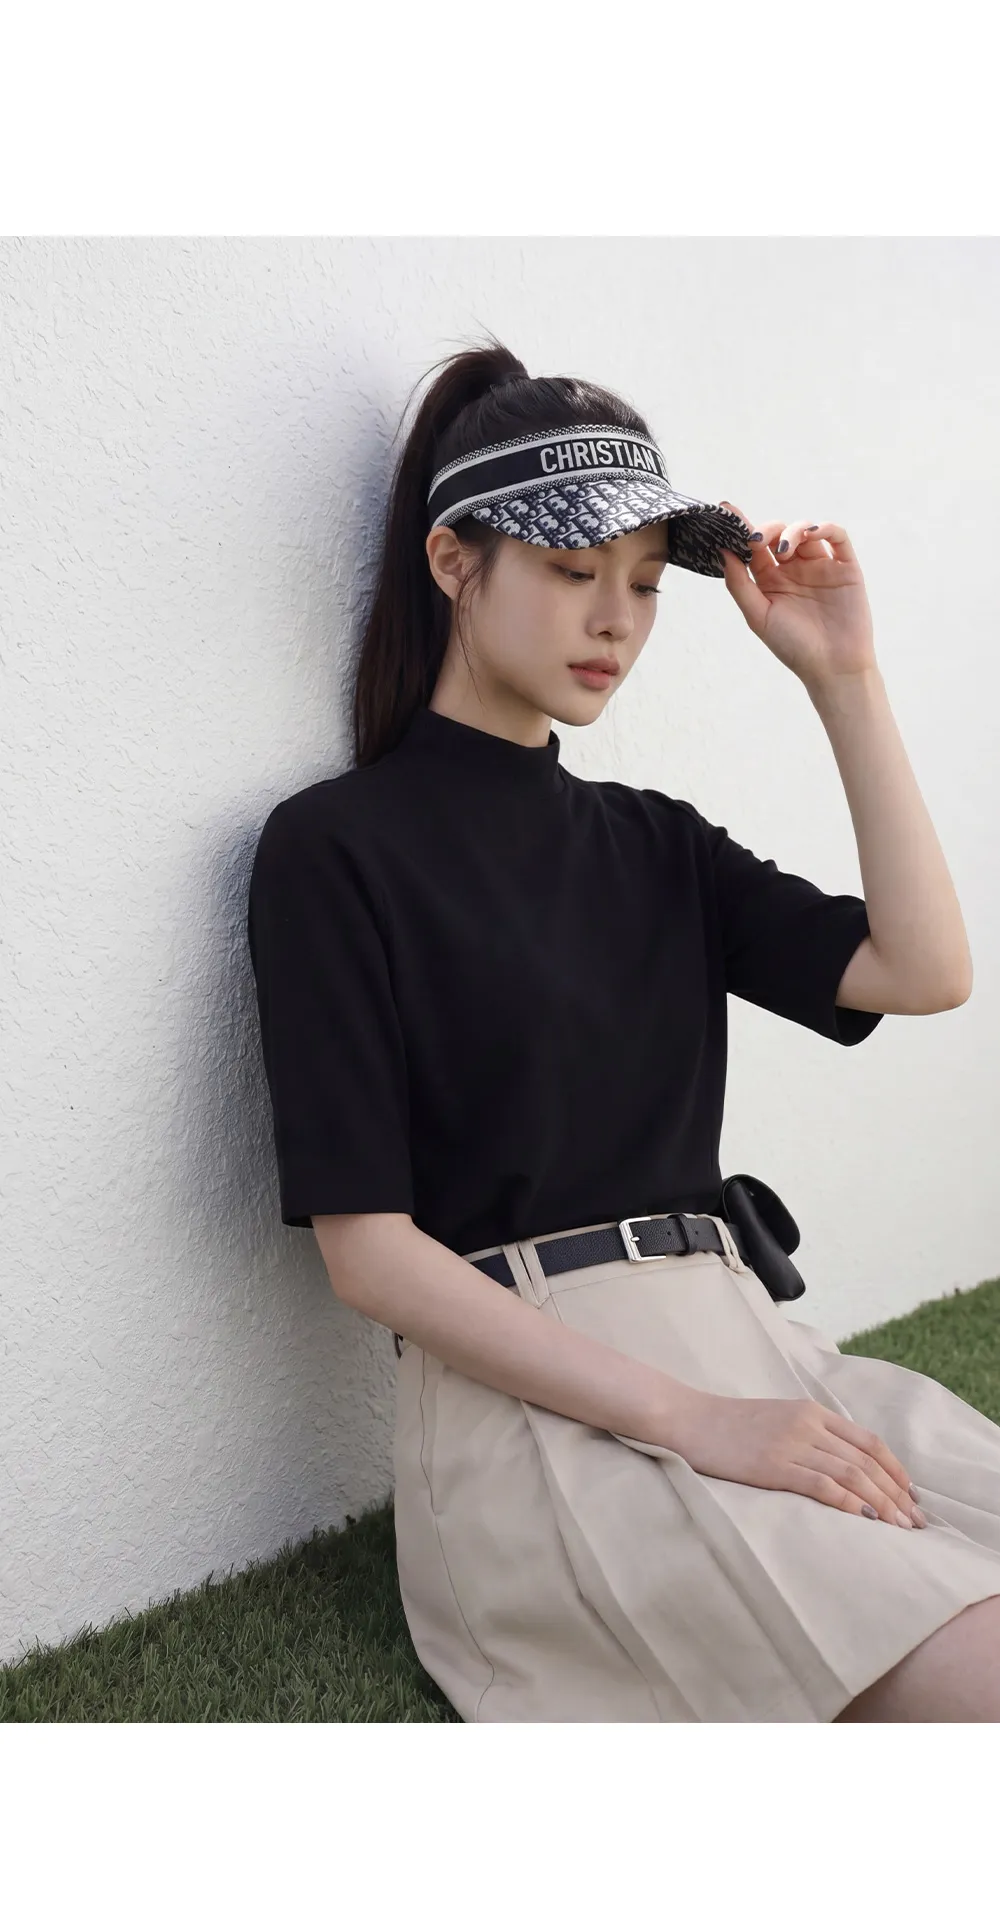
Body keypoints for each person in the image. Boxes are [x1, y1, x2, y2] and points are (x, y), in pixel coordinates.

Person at [246, 334, 1000, 1722]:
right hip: (542, 1418)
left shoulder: (656, 843)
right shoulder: (333, 850)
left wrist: (843, 679)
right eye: (572, 570)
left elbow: (926, 968)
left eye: (646, 583)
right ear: (453, 561)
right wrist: (700, 1424)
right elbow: (370, 1257)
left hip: (750, 1349)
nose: (617, 621)